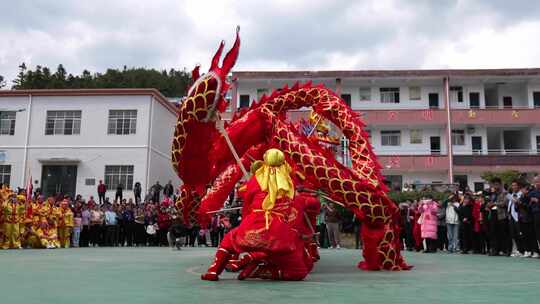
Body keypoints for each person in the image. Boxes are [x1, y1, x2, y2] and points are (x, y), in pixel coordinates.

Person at [486, 178, 510, 256]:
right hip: (493, 214)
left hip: (502, 215)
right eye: (494, 184)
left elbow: (504, 203)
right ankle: (495, 250)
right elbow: (489, 202)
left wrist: (495, 204)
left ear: (500, 184)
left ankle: (505, 250)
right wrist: (488, 205)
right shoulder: (493, 194)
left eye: (497, 184)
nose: (495, 186)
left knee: (503, 233)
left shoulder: (505, 193)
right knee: (493, 232)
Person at [517, 184, 539, 257]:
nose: (522, 190)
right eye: (521, 189)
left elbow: (529, 207)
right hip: (521, 218)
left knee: (532, 236)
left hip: (529, 218)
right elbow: (517, 209)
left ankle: (535, 251)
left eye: (523, 189)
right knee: (524, 235)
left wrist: (521, 204)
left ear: (527, 190)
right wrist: (517, 204)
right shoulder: (521, 197)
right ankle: (527, 250)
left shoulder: (529, 197)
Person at [506, 181, 523, 257]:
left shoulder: (520, 194)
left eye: (515, 185)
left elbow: (517, 202)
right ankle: (517, 250)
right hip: (511, 216)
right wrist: (508, 213)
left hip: (518, 216)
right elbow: (510, 205)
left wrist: (510, 197)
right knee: (513, 234)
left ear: (518, 186)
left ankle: (522, 250)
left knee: (520, 234)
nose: (513, 187)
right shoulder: (512, 194)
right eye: (512, 185)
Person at [528, 176, 540, 258]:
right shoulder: (533, 191)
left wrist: (537, 200)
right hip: (534, 214)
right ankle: (536, 251)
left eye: (537, 182)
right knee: (537, 232)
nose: (536, 184)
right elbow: (527, 198)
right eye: (535, 182)